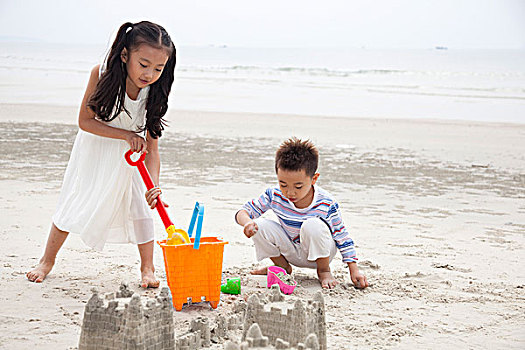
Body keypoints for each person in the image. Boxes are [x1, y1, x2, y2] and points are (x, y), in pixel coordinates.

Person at [26, 21, 176, 288]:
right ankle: (47, 261)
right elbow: (85, 121)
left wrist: (153, 185)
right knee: (75, 200)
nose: (150, 74)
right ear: (125, 55)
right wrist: (126, 136)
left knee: (141, 208)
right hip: (95, 149)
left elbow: (152, 148)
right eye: (144, 64)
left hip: (133, 159)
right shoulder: (102, 74)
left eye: (158, 68)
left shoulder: (156, 91)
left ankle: (148, 268)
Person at [235, 138, 369, 289]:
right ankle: (282, 268)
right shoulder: (274, 195)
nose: (290, 192)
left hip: (320, 252)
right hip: (292, 250)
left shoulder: (326, 203)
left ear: (314, 179)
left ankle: (324, 271)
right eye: (283, 184)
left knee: (312, 225)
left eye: (298, 186)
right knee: (258, 225)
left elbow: (341, 236)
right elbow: (243, 211)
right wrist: (247, 222)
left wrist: (354, 270)